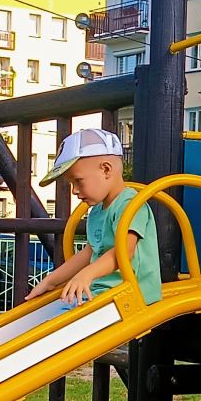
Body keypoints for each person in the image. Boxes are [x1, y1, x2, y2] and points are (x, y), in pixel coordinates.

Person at [28, 128, 162, 308]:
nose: (74, 190)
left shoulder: (130, 204)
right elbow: (89, 252)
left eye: (78, 181)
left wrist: (86, 274)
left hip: (131, 295)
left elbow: (125, 251)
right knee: (49, 313)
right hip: (103, 293)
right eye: (71, 184)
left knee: (64, 319)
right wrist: (50, 281)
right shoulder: (97, 210)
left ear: (106, 169)